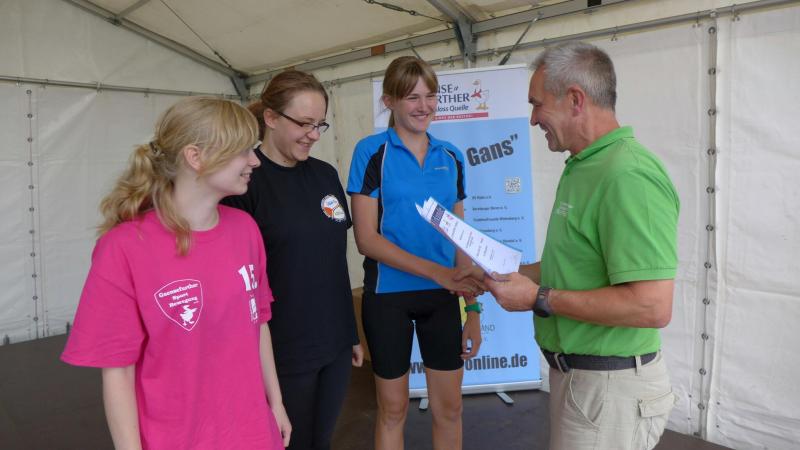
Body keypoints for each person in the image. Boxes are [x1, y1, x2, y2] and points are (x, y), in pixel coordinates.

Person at [61, 97, 291, 450]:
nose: (255, 160)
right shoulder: (123, 247)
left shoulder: (245, 229)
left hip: (254, 432)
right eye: (243, 150)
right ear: (195, 157)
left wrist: (275, 403)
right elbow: (118, 370)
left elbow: (258, 323)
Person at [481, 41, 679, 450]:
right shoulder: (585, 165)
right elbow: (570, 266)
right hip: (584, 383)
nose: (533, 119)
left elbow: (652, 306)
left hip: (608, 389)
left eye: (537, 104)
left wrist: (538, 297)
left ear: (575, 99)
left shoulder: (627, 175)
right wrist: (496, 271)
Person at [347, 56, 486, 450]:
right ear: (389, 101)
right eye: (411, 97)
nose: (424, 106)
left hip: (442, 298)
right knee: (392, 410)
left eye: (430, 96)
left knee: (451, 408)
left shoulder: (451, 156)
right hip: (387, 297)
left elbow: (460, 239)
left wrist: (473, 311)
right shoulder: (371, 152)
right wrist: (436, 272)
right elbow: (366, 239)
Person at [222, 70, 363, 450]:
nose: (314, 135)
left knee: (321, 440)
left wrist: (350, 332)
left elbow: (333, 260)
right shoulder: (244, 184)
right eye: (304, 123)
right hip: (283, 349)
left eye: (320, 125)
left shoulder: (325, 175)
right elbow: (237, 284)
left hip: (334, 341)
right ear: (270, 117)